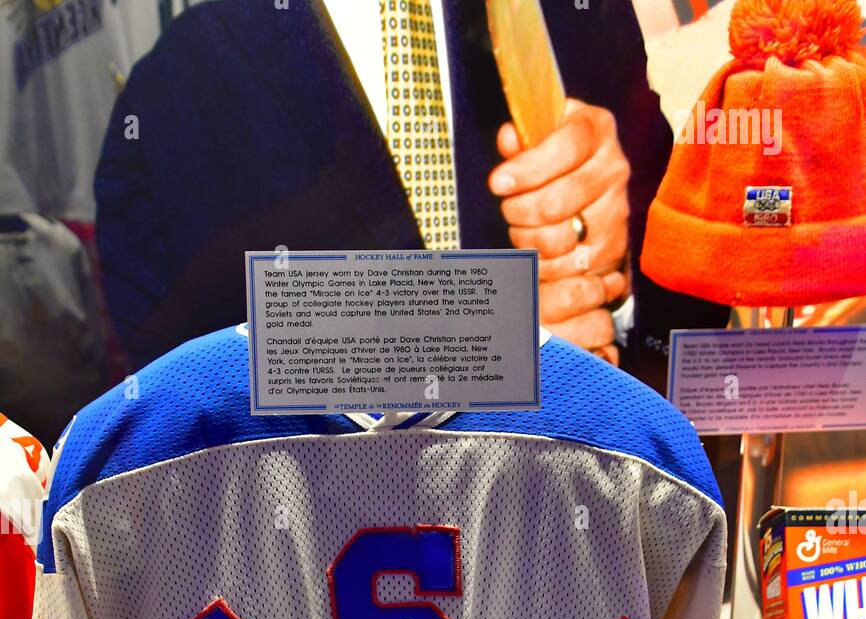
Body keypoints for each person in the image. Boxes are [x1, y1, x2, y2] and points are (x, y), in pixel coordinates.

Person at [94, 0, 727, 378]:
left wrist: (610, 275)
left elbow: (693, 312)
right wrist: (482, 345)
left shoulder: (571, 15)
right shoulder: (175, 94)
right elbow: (175, 403)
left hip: (579, 557)